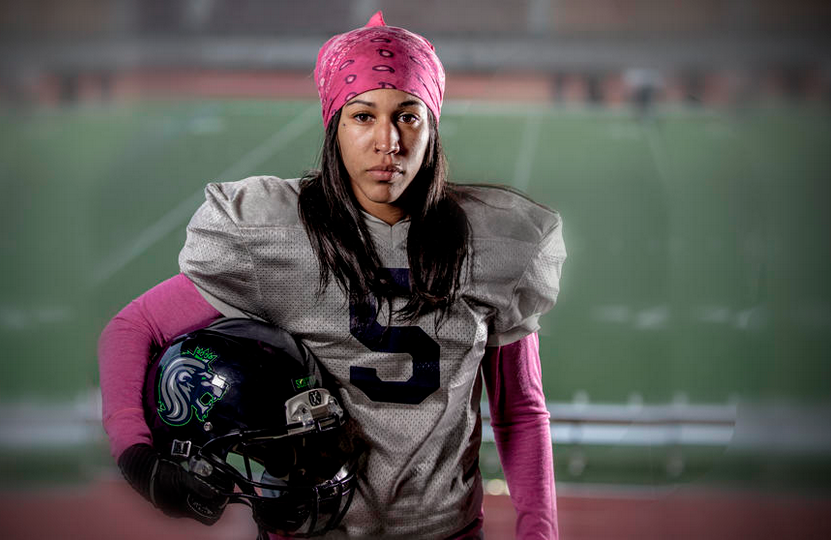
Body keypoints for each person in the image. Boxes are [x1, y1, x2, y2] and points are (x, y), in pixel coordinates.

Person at [99, 11, 565, 540]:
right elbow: (133, 328)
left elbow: (520, 411)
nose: (387, 141)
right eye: (362, 116)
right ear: (334, 126)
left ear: (433, 125)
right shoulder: (274, 232)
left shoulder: (492, 241)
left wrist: (540, 531)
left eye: (408, 116)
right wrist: (136, 455)